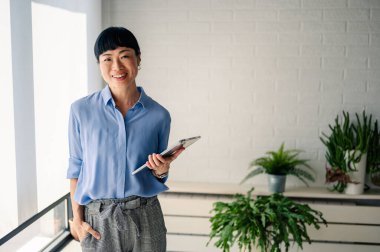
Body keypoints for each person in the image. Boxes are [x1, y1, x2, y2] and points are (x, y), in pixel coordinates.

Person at [67, 26, 184, 252]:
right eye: (107, 59)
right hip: (98, 221)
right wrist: (78, 220)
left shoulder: (159, 115)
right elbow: (76, 169)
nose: (117, 67)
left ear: (138, 59)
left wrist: (162, 169)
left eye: (125, 56)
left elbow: (157, 173)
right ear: (99, 64)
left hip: (146, 217)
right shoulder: (80, 111)